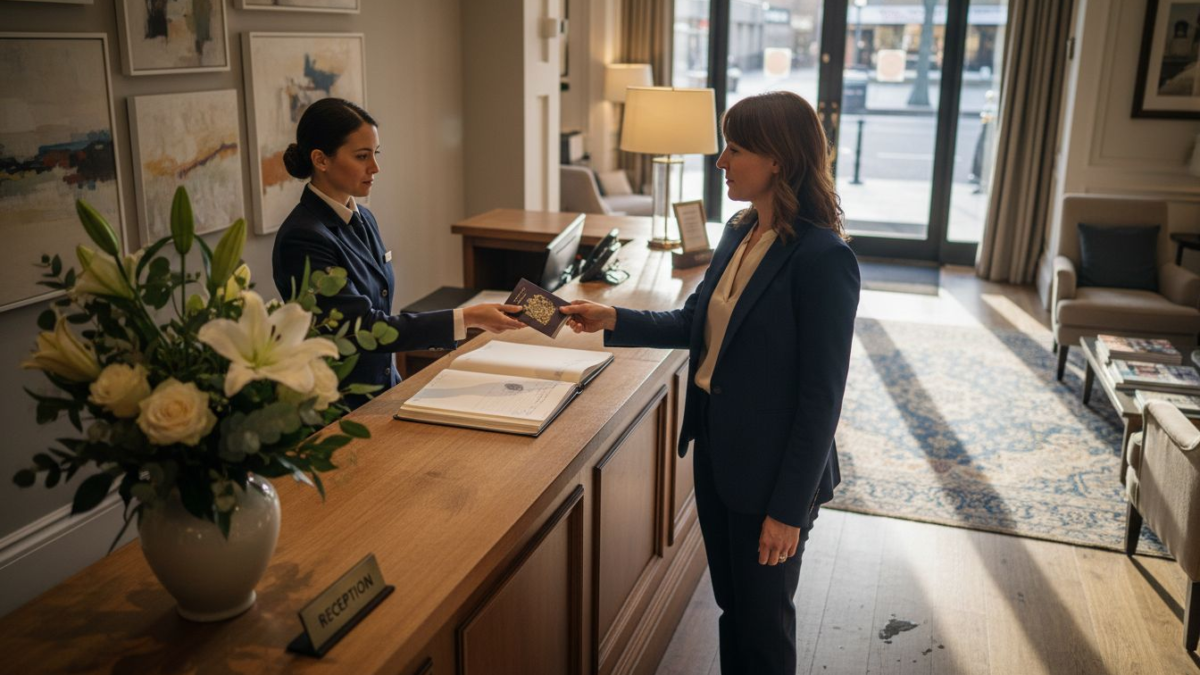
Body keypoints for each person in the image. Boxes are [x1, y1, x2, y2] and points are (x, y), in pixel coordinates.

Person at [560, 91, 859, 674]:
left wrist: (787, 512)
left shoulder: (822, 259)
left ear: (777, 159)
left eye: (736, 148)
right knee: (733, 610)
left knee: (764, 625)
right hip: (720, 458)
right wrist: (613, 318)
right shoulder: (740, 230)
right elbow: (697, 322)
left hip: (774, 477)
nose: (720, 161)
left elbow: (821, 400)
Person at [272, 98, 525, 409]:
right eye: (362, 156)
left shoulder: (363, 218)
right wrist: (467, 317)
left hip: (384, 390)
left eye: (375, 154)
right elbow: (361, 329)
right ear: (321, 160)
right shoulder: (303, 237)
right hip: (339, 407)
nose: (375, 168)